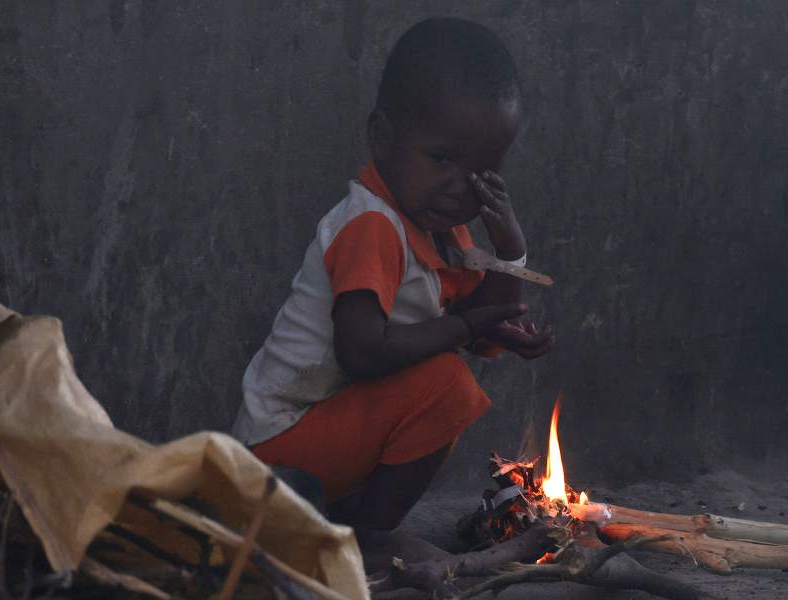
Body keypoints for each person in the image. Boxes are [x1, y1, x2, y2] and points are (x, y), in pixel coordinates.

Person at [231, 16, 553, 562]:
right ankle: (367, 536)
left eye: (483, 169)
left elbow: (481, 328)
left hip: (319, 441)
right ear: (382, 139)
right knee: (446, 386)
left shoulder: (438, 225)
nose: (460, 187)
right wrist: (469, 324)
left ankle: (348, 529)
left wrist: (509, 254)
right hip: (273, 454)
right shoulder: (372, 225)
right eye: (443, 159)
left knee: (448, 374)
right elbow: (363, 351)